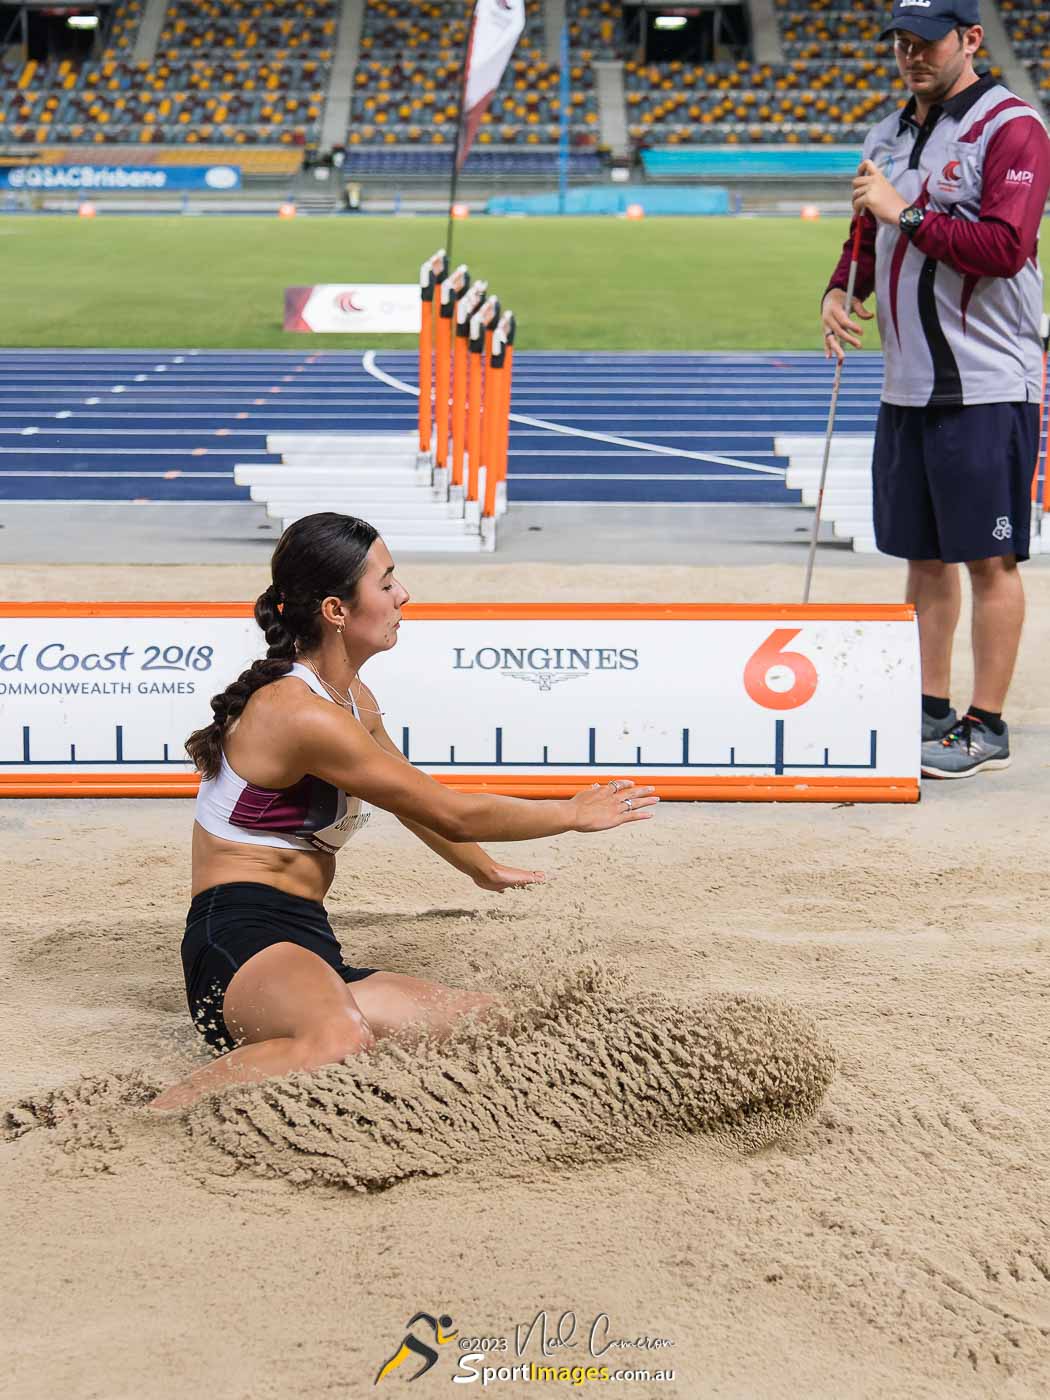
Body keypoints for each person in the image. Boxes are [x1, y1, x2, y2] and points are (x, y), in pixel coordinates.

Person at [149, 514, 658, 1111]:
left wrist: (480, 869)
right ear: (337, 611)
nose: (403, 594)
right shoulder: (298, 713)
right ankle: (151, 1116)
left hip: (308, 941)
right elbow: (452, 812)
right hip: (238, 940)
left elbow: (412, 796)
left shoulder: (349, 700)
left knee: (495, 1026)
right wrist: (570, 813)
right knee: (336, 1039)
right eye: (387, 582)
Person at [820, 0, 1050, 778]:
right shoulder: (888, 131)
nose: (911, 55)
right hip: (907, 382)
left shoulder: (1012, 126)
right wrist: (839, 287)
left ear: (971, 40)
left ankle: (986, 723)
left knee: (989, 559)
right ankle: (927, 707)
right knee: (922, 557)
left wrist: (908, 211)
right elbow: (865, 226)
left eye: (928, 42)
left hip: (985, 381)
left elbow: (1007, 247)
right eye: (901, 42)